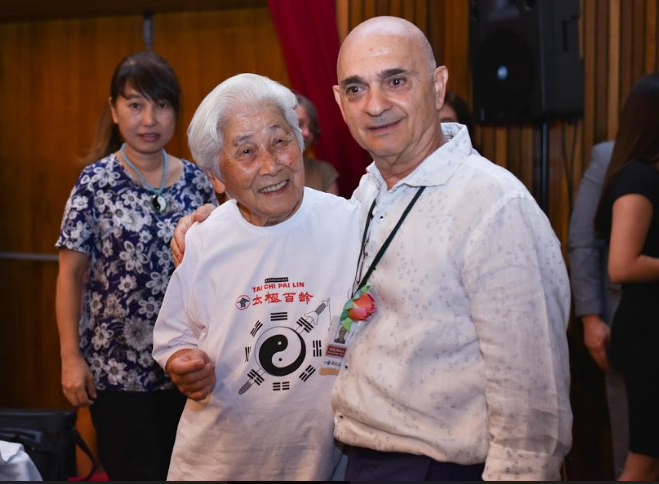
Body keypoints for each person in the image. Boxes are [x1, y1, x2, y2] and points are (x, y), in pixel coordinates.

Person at [171, 16, 572, 481]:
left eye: (396, 81)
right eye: (357, 89)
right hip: (359, 460)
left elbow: (532, 414)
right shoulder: (366, 198)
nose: (376, 105)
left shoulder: (493, 206)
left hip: (441, 468)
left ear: (438, 87)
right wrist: (209, 226)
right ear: (340, 104)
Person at [151, 73, 360, 481]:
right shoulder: (204, 240)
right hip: (218, 463)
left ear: (300, 143)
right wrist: (182, 362)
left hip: (323, 462)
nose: (270, 165)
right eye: (246, 152)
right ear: (216, 175)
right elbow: (174, 335)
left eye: (280, 141)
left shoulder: (350, 223)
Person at [54, 50, 218, 481]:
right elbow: (69, 275)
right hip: (117, 371)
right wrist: (71, 358)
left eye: (162, 105)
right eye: (135, 104)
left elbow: (219, 271)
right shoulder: (94, 182)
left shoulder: (198, 181)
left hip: (189, 368)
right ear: (114, 110)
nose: (150, 119)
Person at [594, 71, 659, 481]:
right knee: (644, 460)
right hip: (647, 334)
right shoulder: (640, 178)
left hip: (648, 328)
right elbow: (621, 264)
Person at [567, 139, 629, 477]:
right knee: (634, 448)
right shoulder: (610, 156)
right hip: (625, 320)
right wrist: (591, 318)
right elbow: (583, 240)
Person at [294, 92, 340, 194]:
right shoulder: (265, 173)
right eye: (299, 124)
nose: (306, 133)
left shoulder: (323, 172)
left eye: (311, 128)